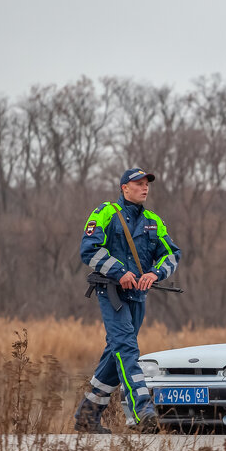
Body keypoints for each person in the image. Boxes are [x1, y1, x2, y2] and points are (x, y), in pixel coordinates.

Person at [73, 168, 182, 433]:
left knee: (116, 353)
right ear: (124, 188)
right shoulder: (105, 213)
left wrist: (154, 274)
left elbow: (172, 255)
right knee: (127, 348)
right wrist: (119, 272)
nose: (144, 188)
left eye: (147, 184)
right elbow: (89, 250)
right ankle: (141, 411)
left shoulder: (154, 221)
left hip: (139, 296)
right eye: (138, 184)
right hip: (111, 293)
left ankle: (87, 416)